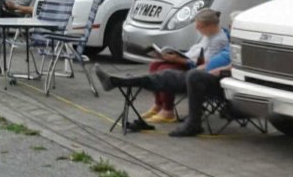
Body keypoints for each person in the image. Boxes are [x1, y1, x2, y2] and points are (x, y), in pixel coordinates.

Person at [93, 8, 230, 136]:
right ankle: (122, 82)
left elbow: (208, 64)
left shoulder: (222, 42)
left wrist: (186, 62)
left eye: (199, 26)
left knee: (166, 73)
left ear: (210, 25)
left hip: (201, 77)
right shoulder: (221, 42)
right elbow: (205, 60)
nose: (196, 28)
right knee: (158, 67)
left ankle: (120, 82)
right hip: (198, 74)